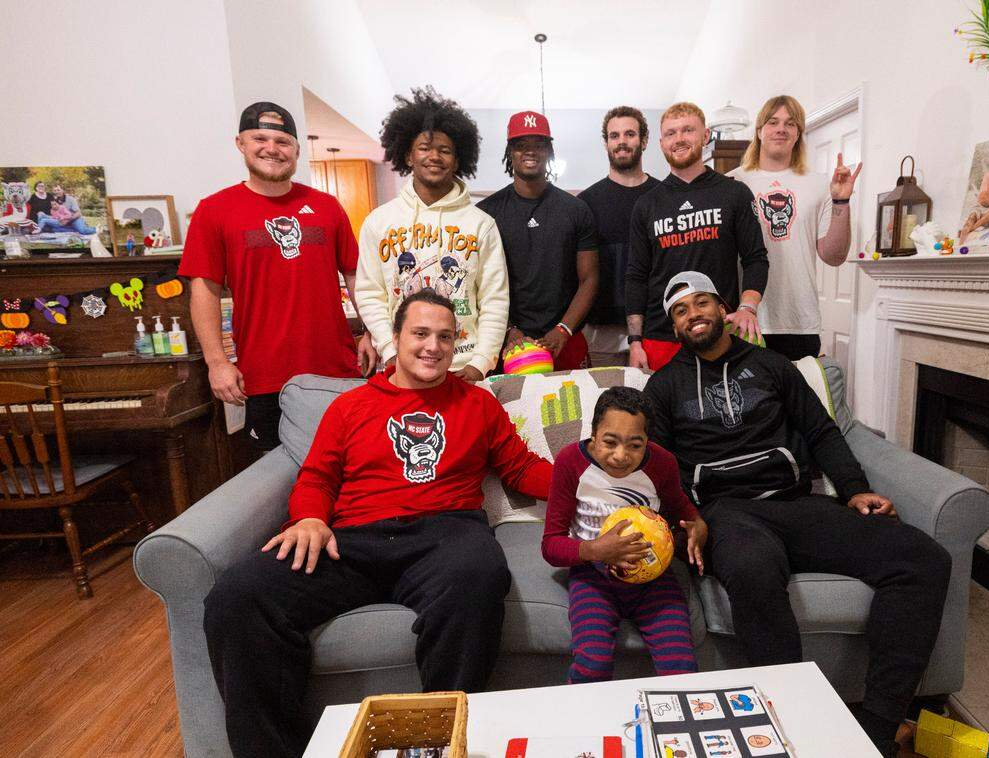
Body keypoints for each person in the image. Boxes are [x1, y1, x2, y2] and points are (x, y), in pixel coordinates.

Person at [203, 289, 554, 758]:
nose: (433, 346)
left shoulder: (479, 404)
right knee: (237, 595)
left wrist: (593, 479)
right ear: (396, 338)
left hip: (445, 534)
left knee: (480, 575)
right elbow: (317, 477)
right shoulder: (350, 406)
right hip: (350, 540)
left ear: (457, 344)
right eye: (421, 334)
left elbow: (521, 469)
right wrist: (308, 517)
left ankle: (439, 744)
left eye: (445, 337)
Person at [643, 271, 952, 758]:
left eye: (701, 303)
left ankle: (875, 730)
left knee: (923, 558)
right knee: (751, 569)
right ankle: (792, 729)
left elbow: (823, 432)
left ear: (723, 308)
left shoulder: (774, 367)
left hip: (796, 503)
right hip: (726, 514)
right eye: (680, 311)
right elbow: (658, 468)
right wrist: (689, 520)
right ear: (674, 327)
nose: (693, 315)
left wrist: (854, 490)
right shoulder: (662, 388)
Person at [179, 101, 377, 450]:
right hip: (265, 375)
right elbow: (204, 291)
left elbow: (354, 274)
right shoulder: (214, 210)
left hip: (337, 371)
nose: (272, 148)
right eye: (260, 138)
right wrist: (217, 362)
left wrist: (372, 332)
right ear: (241, 143)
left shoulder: (327, 206)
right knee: (280, 478)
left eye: (283, 141)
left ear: (297, 150)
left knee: (354, 466)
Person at [541, 386, 707, 683]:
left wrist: (698, 526)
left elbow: (686, 513)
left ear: (647, 442)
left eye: (635, 445)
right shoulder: (570, 462)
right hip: (593, 577)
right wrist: (596, 551)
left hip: (654, 579)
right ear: (593, 434)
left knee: (681, 668)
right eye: (610, 442)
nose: (621, 455)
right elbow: (551, 545)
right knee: (592, 666)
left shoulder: (662, 463)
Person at [356, 87, 509, 383]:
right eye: (425, 148)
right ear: (409, 156)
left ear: (457, 159)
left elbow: (495, 299)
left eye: (445, 150)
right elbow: (370, 293)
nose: (434, 156)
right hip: (402, 368)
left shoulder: (482, 224)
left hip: (464, 366)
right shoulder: (379, 222)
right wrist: (390, 351)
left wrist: (480, 363)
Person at [625, 102, 767, 371]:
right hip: (661, 336)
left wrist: (748, 308)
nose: (679, 139)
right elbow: (636, 275)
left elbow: (756, 258)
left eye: (687, 130)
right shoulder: (646, 205)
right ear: (661, 142)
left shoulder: (734, 194)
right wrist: (635, 341)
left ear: (705, 136)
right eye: (670, 133)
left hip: (719, 331)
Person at [729, 95, 861, 361]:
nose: (781, 129)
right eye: (773, 122)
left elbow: (833, 256)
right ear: (759, 130)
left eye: (790, 123)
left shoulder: (819, 183)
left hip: (799, 321)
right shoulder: (733, 182)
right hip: (744, 318)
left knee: (796, 401)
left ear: (799, 132)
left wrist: (841, 200)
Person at [477, 110, 599, 371]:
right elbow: (478, 282)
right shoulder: (486, 212)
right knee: (512, 412)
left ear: (550, 151)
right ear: (510, 152)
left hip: (564, 337)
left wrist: (563, 329)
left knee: (572, 411)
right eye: (521, 145)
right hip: (509, 343)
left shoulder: (576, 209)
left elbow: (589, 278)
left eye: (539, 145)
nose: (530, 152)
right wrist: (507, 329)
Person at [578, 106, 661, 367]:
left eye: (630, 134)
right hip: (602, 334)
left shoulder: (664, 197)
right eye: (614, 136)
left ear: (644, 140)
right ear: (606, 144)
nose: (622, 142)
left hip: (656, 327)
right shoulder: (586, 203)